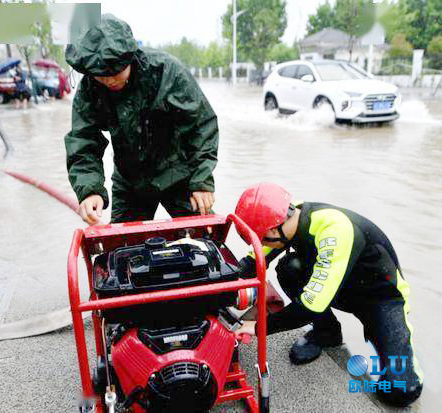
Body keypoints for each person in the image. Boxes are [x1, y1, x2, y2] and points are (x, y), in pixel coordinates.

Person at [233, 182, 423, 407]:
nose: (261, 244)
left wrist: (257, 327)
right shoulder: (286, 218)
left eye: (261, 238)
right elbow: (253, 260)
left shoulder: (334, 229)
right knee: (289, 269)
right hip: (339, 287)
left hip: (381, 299)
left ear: (274, 230)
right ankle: (327, 333)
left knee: (401, 390)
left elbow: (308, 307)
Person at [64, 15, 218, 225]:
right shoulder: (91, 87)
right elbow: (83, 141)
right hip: (130, 182)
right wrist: (90, 190)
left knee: (207, 239)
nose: (109, 80)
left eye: (115, 72)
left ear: (129, 58)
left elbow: (201, 124)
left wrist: (202, 181)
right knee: (118, 248)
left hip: (179, 174)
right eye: (101, 75)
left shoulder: (167, 71)